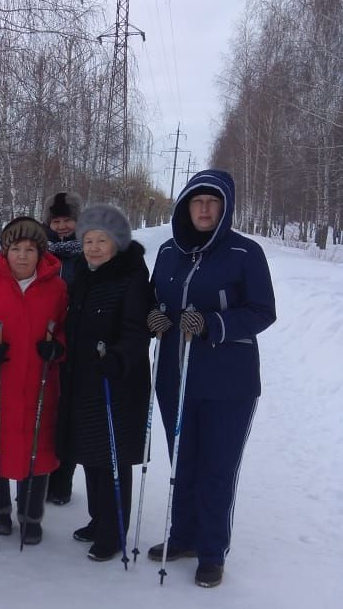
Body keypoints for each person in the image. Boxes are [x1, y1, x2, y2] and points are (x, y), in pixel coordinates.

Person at [146, 169, 276, 587]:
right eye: (196, 201)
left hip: (227, 383)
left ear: (225, 207)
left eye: (212, 202)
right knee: (182, 461)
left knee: (217, 468)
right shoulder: (169, 251)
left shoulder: (244, 253)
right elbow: (153, 299)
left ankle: (211, 550)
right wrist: (152, 317)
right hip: (174, 376)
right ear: (185, 205)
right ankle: (181, 536)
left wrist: (212, 324)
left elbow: (262, 311)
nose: (203, 209)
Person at [0, 217, 68, 544]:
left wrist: (57, 347)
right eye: (15, 248)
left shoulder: (57, 287)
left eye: (29, 249)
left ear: (40, 253)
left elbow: (65, 327)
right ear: (5, 251)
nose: (22, 255)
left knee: (37, 445)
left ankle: (31, 516)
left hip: (39, 382)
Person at [56, 205, 151, 561]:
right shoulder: (84, 275)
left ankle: (114, 532)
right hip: (84, 380)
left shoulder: (131, 278)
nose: (93, 247)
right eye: (88, 240)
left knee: (112, 457)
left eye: (102, 240)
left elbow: (137, 332)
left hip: (117, 383)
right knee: (90, 455)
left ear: (118, 243)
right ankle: (98, 520)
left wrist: (118, 357)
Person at [41, 191, 84, 505]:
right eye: (56, 220)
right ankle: (41, 474)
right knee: (45, 411)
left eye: (68, 219)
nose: (62, 226)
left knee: (69, 411)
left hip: (77, 341)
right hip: (44, 341)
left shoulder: (89, 251)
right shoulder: (41, 253)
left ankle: (62, 480)